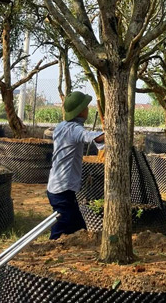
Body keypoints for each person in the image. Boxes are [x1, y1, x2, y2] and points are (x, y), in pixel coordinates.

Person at [46, 90, 104, 239]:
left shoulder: (61, 126)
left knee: (78, 227)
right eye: (86, 107)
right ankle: (51, 246)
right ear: (80, 111)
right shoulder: (74, 129)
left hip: (57, 186)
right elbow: (92, 137)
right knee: (62, 225)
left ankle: (71, 244)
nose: (88, 109)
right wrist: (114, 133)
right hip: (62, 188)